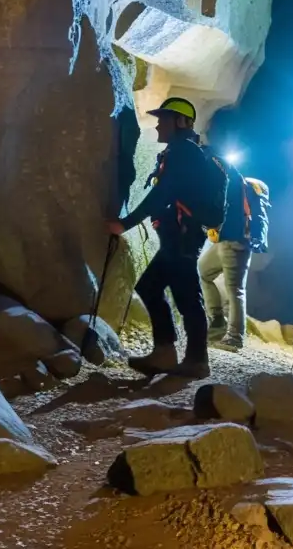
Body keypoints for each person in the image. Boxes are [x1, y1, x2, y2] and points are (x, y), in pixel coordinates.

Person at [105, 97, 212, 378]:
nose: (157, 125)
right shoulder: (180, 151)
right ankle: (168, 353)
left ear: (180, 122)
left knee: (185, 295)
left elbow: (162, 194)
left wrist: (125, 223)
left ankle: (196, 360)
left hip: (184, 236)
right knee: (153, 287)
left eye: (162, 119)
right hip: (178, 235)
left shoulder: (184, 153)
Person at [199, 155, 271, 352]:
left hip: (237, 241)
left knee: (235, 289)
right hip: (224, 240)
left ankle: (235, 336)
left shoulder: (235, 182)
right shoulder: (237, 185)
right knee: (204, 271)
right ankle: (217, 322)